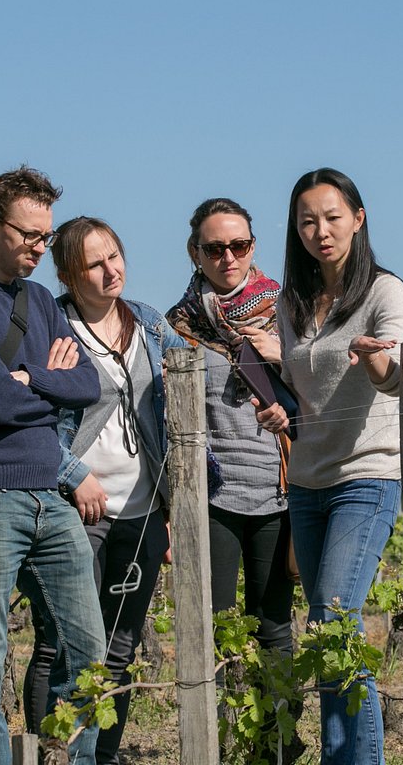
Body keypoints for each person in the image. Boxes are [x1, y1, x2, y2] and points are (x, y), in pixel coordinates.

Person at [256, 168, 403, 765]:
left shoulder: (384, 292)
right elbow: (299, 391)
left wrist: (375, 362)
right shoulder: (291, 304)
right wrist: (279, 409)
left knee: (335, 618)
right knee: (323, 632)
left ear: (358, 219)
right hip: (306, 482)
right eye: (307, 222)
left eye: (332, 218)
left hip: (365, 476)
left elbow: (399, 374)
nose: (320, 231)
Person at [0, 167, 105, 764]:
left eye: (47, 236)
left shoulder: (39, 299)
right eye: (30, 235)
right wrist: (49, 383)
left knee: (89, 656)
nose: (41, 248)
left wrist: (31, 377)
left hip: (51, 493)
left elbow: (88, 384)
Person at [19, 216, 185, 761]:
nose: (111, 270)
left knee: (119, 648)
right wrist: (74, 475)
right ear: (69, 275)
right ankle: (56, 755)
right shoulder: (51, 327)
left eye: (114, 256)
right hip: (74, 509)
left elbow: (194, 379)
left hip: (142, 509)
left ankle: (102, 757)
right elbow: (31, 419)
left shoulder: (150, 324)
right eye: (95, 263)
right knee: (62, 644)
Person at [166, 198, 295, 662]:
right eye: (214, 248)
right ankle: (215, 713)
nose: (228, 257)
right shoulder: (177, 328)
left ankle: (277, 715)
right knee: (211, 626)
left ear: (252, 247)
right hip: (211, 497)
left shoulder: (288, 317)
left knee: (274, 627)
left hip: (278, 493)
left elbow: (322, 395)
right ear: (195, 253)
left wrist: (284, 360)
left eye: (239, 245)